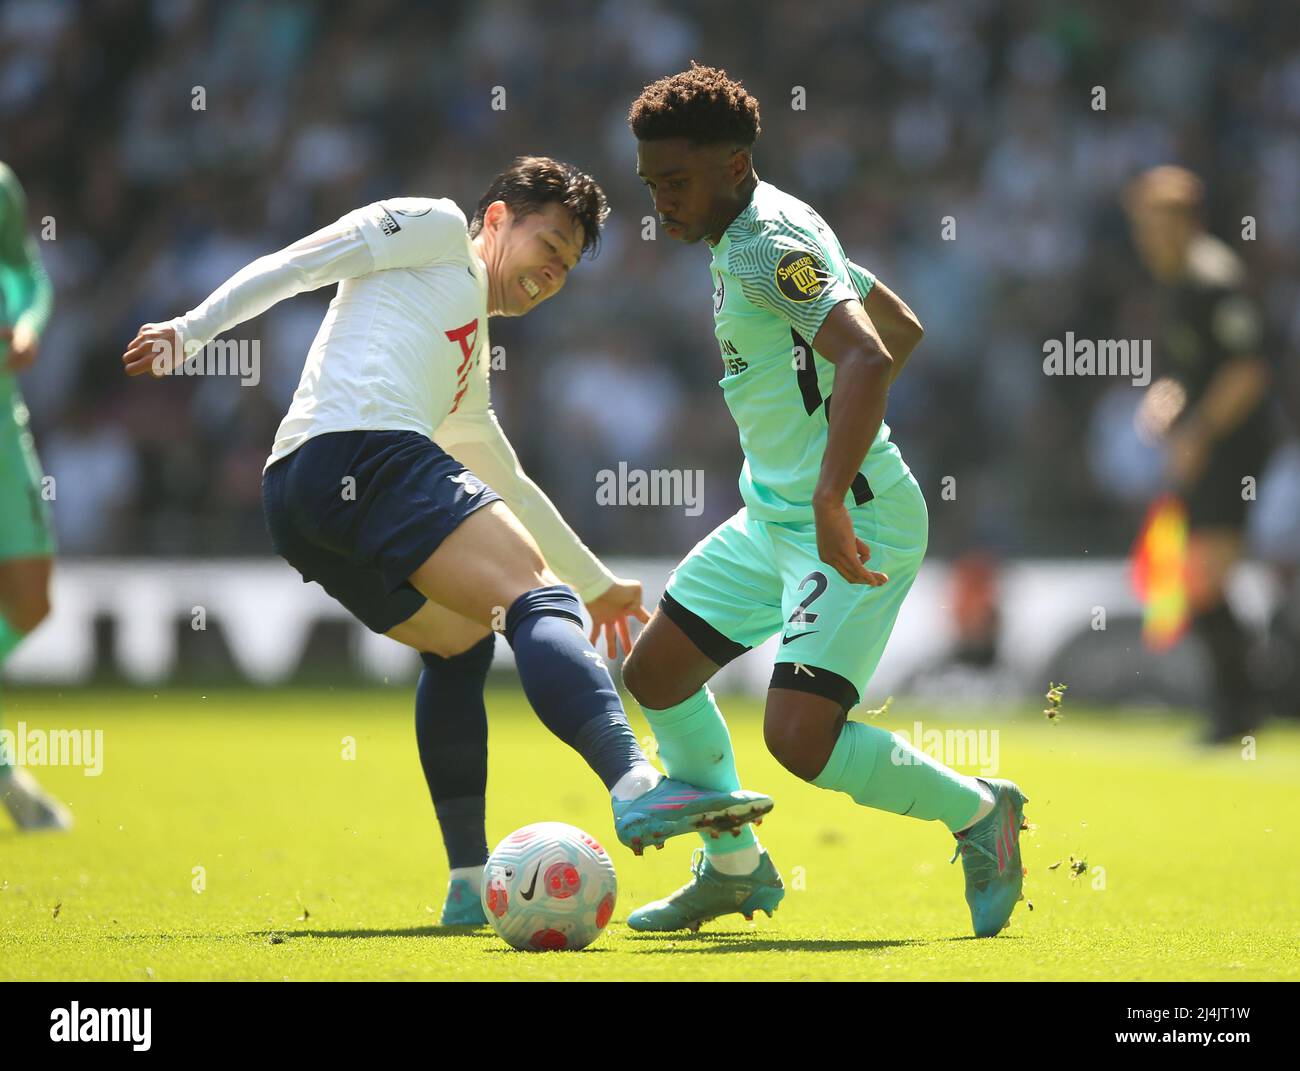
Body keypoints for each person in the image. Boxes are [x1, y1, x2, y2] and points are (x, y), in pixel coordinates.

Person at [122, 156, 772, 905]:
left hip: (298, 498)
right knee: (537, 601)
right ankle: (634, 784)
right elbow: (302, 263)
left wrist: (597, 584)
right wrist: (191, 331)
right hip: (364, 450)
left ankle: (467, 880)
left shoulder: (466, 358)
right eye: (547, 245)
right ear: (495, 219)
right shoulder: (433, 229)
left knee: (460, 642)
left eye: (565, 266)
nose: (551, 272)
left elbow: (508, 481)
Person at [620, 65, 1027, 937]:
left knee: (800, 738)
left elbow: (872, 355)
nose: (661, 203)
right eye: (651, 185)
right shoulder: (761, 229)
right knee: (655, 673)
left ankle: (979, 811)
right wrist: (820, 447)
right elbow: (899, 326)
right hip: (774, 514)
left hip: (852, 516)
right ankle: (734, 868)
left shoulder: (767, 243)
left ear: (734, 165)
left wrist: (835, 487)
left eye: (676, 182)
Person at [1125, 166, 1275, 745]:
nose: (1148, 239)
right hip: (1210, 447)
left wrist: (1199, 435)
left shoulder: (1214, 280)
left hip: (1234, 449)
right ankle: (1239, 709)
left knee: (1206, 573)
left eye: (1157, 225)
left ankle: (1242, 711)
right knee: (1198, 576)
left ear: (1188, 222)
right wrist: (1165, 403)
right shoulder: (1179, 283)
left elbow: (1248, 371)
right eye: (1142, 227)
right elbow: (1192, 372)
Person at [0, 160, 72, 831]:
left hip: (2, 418)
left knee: (32, 599)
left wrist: (26, 326)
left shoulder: (0, 186)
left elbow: (29, 275)